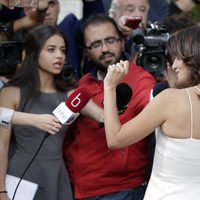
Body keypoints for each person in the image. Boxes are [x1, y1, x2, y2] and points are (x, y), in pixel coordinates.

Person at [63, 14, 156, 200]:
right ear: (86, 52)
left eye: (110, 40)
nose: (105, 48)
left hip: (121, 189)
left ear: (122, 42)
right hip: (80, 187)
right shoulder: (82, 85)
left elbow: (152, 111)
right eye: (96, 44)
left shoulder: (141, 79)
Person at [103, 25, 200, 199]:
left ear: (195, 57)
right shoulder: (174, 97)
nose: (174, 65)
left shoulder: (170, 99)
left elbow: (115, 139)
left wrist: (109, 87)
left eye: (178, 57)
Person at [0, 24, 75, 200]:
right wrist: (1, 190)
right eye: (51, 49)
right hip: (21, 176)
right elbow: (1, 146)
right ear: (32, 52)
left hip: (57, 175)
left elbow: (102, 115)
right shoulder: (11, 93)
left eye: (63, 50)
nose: (59, 56)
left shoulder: (70, 95)